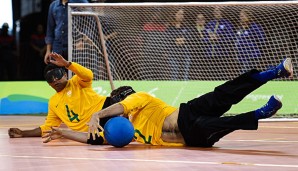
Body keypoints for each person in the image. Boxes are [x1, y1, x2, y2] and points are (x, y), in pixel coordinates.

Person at [44, 58, 293, 147]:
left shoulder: (140, 99)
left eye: (121, 101)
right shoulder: (125, 133)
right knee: (218, 123)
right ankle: (262, 112)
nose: (120, 108)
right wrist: (62, 133)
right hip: (192, 138)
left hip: (185, 114)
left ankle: (274, 72)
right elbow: (93, 139)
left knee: (223, 94)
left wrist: (97, 114)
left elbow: (121, 107)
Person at [8, 53, 130, 145]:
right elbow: (48, 127)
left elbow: (88, 75)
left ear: (65, 75)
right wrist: (23, 133)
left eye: (58, 75)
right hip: (92, 129)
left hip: (106, 109)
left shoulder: (77, 82)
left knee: (123, 94)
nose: (55, 80)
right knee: (102, 140)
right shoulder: (53, 102)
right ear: (49, 84)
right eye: (50, 79)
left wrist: (67, 64)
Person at [205, 7, 235, 80]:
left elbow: (231, 37)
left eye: (218, 11)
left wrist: (219, 38)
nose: (216, 13)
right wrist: (209, 39)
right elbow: (204, 38)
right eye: (215, 11)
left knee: (222, 75)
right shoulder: (210, 24)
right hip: (210, 53)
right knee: (210, 74)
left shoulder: (227, 23)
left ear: (221, 12)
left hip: (222, 54)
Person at [236, 9, 266, 73]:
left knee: (245, 74)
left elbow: (262, 39)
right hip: (241, 56)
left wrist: (250, 33)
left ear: (248, 16)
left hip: (252, 55)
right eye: (240, 16)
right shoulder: (240, 28)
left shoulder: (254, 27)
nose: (241, 17)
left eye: (243, 16)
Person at [165, 9, 192, 80]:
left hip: (185, 53)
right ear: (175, 15)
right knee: (174, 72)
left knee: (185, 74)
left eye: (182, 14)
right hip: (173, 53)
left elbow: (189, 38)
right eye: (179, 14)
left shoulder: (186, 26)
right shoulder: (170, 27)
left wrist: (181, 40)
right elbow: (169, 40)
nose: (181, 16)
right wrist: (177, 40)